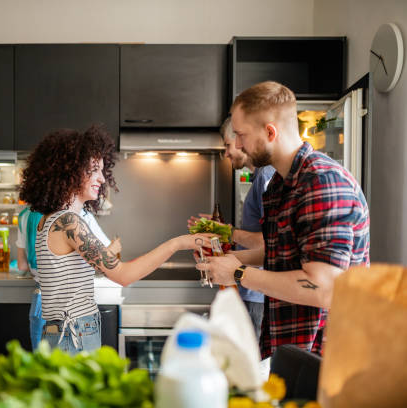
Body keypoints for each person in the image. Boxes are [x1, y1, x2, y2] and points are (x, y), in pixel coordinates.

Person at [200, 81, 370, 360]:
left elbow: (324, 288)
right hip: (292, 348)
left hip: (326, 357)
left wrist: (239, 274)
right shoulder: (281, 184)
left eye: (241, 134)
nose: (238, 144)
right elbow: (280, 253)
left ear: (270, 132)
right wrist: (231, 261)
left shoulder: (321, 181)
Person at [19, 124, 209, 355]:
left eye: (102, 170)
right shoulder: (68, 222)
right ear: (70, 171)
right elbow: (124, 275)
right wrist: (179, 243)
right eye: (94, 170)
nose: (102, 178)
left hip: (65, 333)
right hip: (72, 335)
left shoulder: (50, 219)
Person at [187, 116, 275, 342]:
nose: (227, 152)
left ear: (241, 139)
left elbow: (268, 243)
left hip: (258, 294)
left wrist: (228, 233)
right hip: (251, 288)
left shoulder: (266, 176)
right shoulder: (259, 178)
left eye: (227, 144)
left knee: (252, 363)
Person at [16, 205, 120, 350]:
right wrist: (115, 247)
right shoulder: (77, 217)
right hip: (72, 313)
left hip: (41, 303)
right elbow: (104, 258)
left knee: (43, 368)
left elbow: (22, 265)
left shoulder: (25, 215)